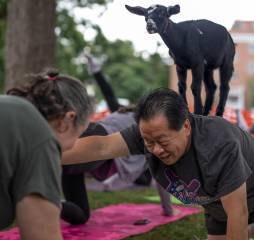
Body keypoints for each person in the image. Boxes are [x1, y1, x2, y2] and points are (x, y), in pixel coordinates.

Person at [62, 87, 254, 240]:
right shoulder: (150, 132)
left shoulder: (218, 145)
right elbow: (101, 146)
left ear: (185, 126)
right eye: (148, 142)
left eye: (162, 141)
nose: (155, 149)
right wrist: (45, 152)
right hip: (215, 198)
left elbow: (237, 212)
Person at [61, 55, 174, 225]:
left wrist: (97, 71)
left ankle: (38, 201)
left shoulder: (129, 117)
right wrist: (169, 210)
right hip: (97, 140)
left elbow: (109, 94)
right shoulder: (145, 125)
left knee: (80, 217)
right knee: (51, 158)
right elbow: (160, 176)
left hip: (93, 143)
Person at [1, 70, 93, 240]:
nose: (74, 145)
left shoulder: (12, 111)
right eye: (79, 135)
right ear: (67, 120)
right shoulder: (41, 136)